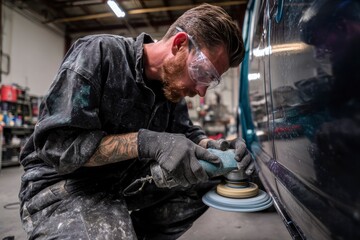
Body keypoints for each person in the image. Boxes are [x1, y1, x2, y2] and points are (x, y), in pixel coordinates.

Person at [19, 3, 253, 239]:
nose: (202, 91)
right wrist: (147, 142)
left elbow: (186, 134)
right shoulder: (99, 53)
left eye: (210, 81)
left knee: (205, 176)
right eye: (202, 73)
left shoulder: (171, 86)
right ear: (179, 43)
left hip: (120, 183)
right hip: (62, 185)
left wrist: (216, 150)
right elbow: (58, 148)